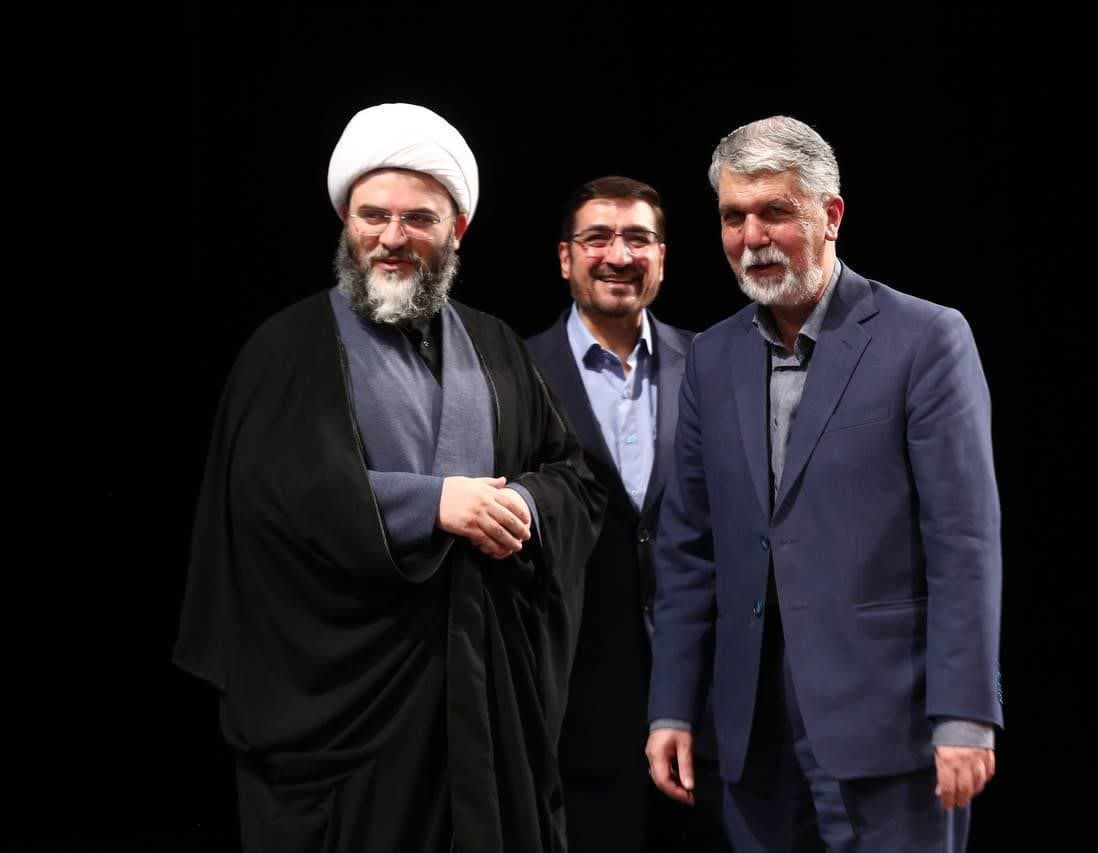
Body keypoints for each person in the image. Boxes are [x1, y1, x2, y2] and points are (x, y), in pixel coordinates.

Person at [173, 102, 606, 853]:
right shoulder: (287, 349)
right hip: (346, 724)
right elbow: (266, 501)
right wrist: (432, 503)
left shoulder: (497, 346)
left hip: (480, 701)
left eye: (419, 219)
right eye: (373, 215)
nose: (393, 237)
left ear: (457, 229)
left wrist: (524, 505)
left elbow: (574, 475)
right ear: (346, 219)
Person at [644, 116, 1003, 852]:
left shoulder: (926, 339)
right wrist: (671, 706)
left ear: (830, 214)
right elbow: (688, 549)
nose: (752, 237)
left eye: (774, 211)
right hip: (752, 735)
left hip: (893, 727)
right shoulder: (710, 358)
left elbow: (963, 542)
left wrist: (965, 713)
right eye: (733, 217)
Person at [525, 176, 727, 852]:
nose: (619, 255)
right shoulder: (515, 372)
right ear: (565, 257)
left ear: (662, 257)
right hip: (573, 716)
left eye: (638, 238)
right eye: (597, 238)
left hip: (705, 711)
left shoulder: (713, 365)